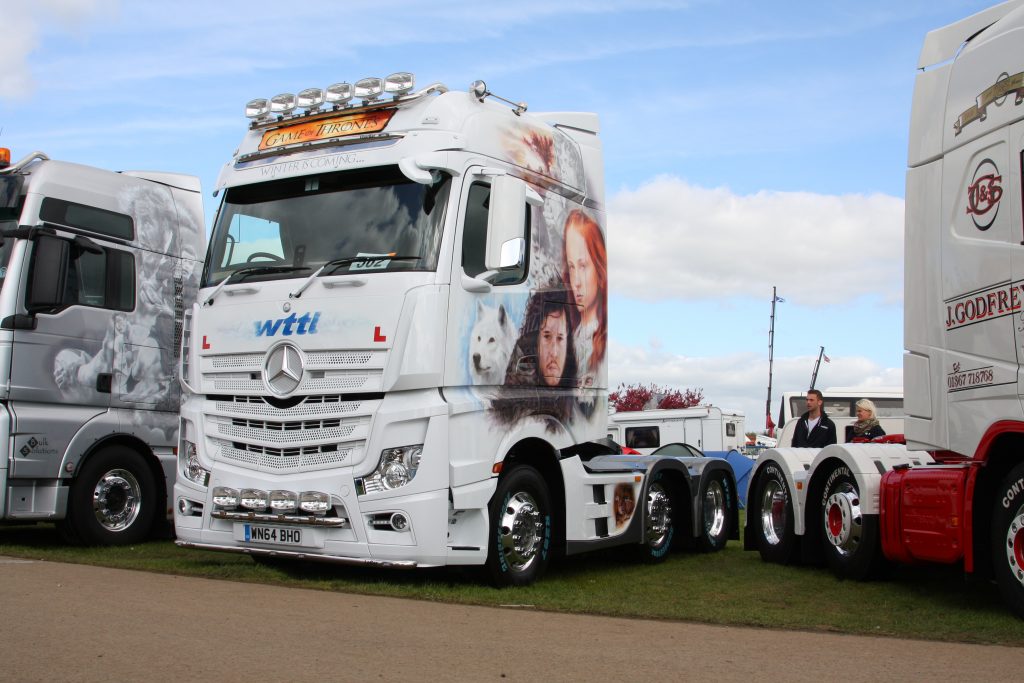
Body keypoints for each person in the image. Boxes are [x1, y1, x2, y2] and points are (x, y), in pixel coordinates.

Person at [562, 210, 607, 386]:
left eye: (583, 266)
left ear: (599, 266)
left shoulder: (599, 341)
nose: (576, 282)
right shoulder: (573, 335)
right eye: (572, 267)